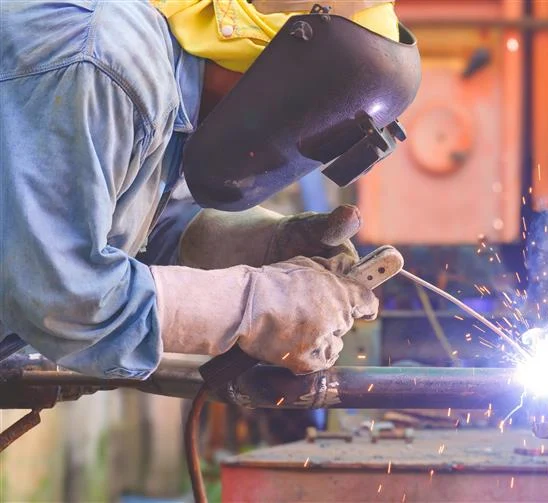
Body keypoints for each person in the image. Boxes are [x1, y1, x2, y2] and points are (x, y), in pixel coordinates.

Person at [0, 1, 419, 378]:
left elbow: (127, 228)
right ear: (284, 79)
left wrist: (264, 244)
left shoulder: (172, 105)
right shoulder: (106, 68)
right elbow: (58, 296)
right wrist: (254, 305)